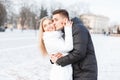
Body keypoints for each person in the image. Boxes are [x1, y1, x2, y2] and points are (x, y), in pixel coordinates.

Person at [51, 9, 98, 80]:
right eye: (53, 21)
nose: (53, 23)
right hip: (75, 72)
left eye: (56, 20)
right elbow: (64, 51)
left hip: (84, 73)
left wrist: (58, 61)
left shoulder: (78, 28)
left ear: (65, 20)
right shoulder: (66, 32)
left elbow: (79, 53)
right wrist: (53, 58)